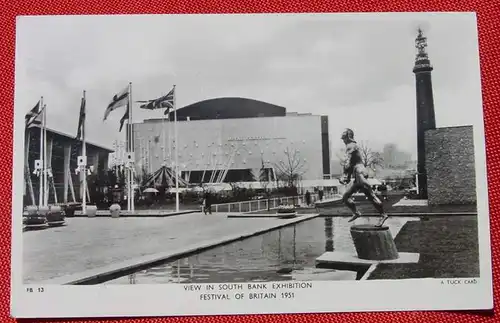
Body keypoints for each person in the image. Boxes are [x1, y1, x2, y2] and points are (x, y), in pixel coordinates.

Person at [339, 128, 389, 227]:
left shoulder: (351, 146)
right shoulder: (351, 147)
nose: (343, 141)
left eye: (344, 138)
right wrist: (347, 177)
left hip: (360, 173)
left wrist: (344, 177)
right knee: (345, 197)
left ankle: (383, 215)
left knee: (371, 195)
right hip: (357, 175)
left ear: (348, 137)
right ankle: (356, 213)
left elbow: (347, 163)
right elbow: (350, 165)